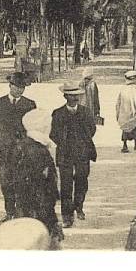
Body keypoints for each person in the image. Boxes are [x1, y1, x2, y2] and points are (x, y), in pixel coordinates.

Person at [0, 71, 37, 221]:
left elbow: (33, 125)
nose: (20, 90)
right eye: (17, 86)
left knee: (21, 180)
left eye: (22, 87)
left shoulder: (29, 104)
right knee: (5, 181)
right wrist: (4, 136)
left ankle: (20, 211)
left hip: (22, 149)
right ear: (10, 86)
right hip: (4, 150)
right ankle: (9, 211)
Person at [50, 81, 97, 228]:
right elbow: (53, 134)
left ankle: (79, 206)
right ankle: (67, 216)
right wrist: (64, 143)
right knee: (66, 185)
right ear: (65, 97)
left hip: (83, 153)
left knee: (82, 181)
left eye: (77, 95)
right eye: (72, 96)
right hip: (65, 154)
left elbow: (92, 129)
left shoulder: (85, 112)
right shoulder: (58, 113)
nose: (75, 98)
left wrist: (82, 141)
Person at [15, 109, 63, 248]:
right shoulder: (39, 152)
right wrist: (52, 221)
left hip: (25, 210)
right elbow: (42, 190)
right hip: (38, 214)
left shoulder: (22, 146)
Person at [116, 70, 136, 153]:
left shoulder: (123, 89)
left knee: (125, 129)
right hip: (134, 112)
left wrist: (118, 113)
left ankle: (124, 145)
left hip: (124, 113)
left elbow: (118, 102)